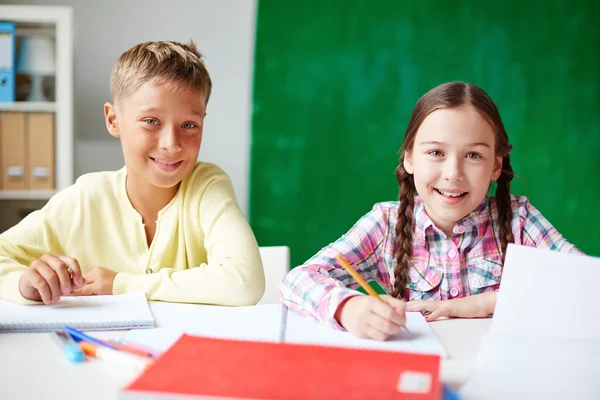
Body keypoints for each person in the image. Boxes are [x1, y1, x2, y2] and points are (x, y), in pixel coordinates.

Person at [279, 81, 581, 340]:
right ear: (409, 158)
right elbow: (297, 281)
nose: (453, 173)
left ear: (496, 166)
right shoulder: (386, 225)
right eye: (436, 152)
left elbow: (585, 284)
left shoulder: (519, 220)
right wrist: (348, 308)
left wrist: (490, 302)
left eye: (473, 155)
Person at [0, 40, 265, 306]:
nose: (171, 143)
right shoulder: (85, 200)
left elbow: (245, 282)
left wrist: (120, 285)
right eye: (152, 121)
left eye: (189, 124)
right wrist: (23, 284)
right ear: (113, 120)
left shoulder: (207, 187)